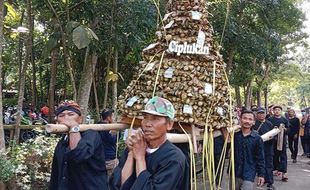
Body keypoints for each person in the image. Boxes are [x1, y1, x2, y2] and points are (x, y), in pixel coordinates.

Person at [109, 96, 190, 190]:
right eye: (145, 117)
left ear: (169, 124)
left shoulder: (174, 158)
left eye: (155, 119)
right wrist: (131, 153)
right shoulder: (136, 147)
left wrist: (140, 158)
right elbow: (119, 185)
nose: (147, 124)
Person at [49, 100, 109, 190]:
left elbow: (79, 155)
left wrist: (73, 127)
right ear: (57, 121)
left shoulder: (91, 135)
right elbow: (56, 175)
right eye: (61, 115)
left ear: (80, 119)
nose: (67, 118)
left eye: (71, 114)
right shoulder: (62, 143)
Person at [234, 110, 265, 190]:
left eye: (250, 119)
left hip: (249, 174)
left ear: (254, 122)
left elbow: (260, 158)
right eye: (245, 118)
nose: (247, 121)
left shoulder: (257, 139)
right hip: (234, 172)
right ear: (240, 120)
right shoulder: (234, 136)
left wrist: (261, 174)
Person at [253, 107, 275, 189]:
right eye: (259, 113)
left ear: (265, 114)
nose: (261, 115)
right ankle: (259, 179)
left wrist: (271, 137)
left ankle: (269, 182)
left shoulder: (269, 123)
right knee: (257, 164)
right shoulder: (253, 124)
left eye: (263, 113)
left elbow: (274, 134)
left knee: (269, 164)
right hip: (257, 148)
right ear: (256, 114)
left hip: (268, 147)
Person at [267, 106, 289, 182]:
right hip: (272, 141)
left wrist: (284, 129)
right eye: (275, 110)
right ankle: (275, 169)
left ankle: (284, 173)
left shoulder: (284, 120)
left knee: (283, 156)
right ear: (273, 111)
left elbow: (289, 129)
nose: (277, 111)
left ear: (281, 111)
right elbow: (267, 129)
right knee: (274, 155)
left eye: (278, 110)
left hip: (282, 141)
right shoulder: (270, 120)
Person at [98, 108, 119, 176]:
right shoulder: (108, 127)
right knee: (112, 180)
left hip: (99, 157)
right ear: (108, 117)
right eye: (112, 116)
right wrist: (116, 132)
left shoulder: (97, 126)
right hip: (109, 158)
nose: (113, 118)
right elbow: (113, 140)